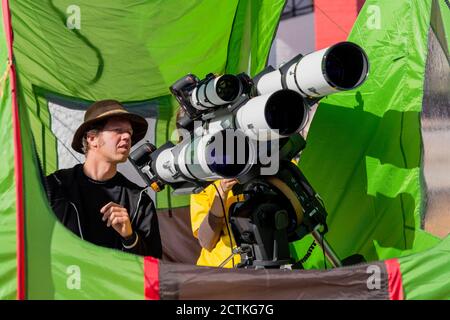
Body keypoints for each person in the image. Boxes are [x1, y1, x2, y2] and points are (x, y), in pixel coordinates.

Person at [45, 99, 162, 258]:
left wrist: (130, 237)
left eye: (129, 132)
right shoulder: (56, 186)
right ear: (92, 139)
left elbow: (153, 266)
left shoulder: (139, 200)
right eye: (118, 130)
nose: (127, 136)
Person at [190, 178, 241, 268]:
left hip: (263, 265)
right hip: (218, 270)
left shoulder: (267, 174)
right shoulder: (204, 183)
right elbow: (207, 242)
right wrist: (222, 192)